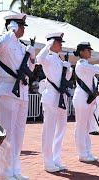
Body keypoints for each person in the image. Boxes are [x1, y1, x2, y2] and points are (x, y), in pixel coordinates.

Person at [0, 13, 35, 180]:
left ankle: (15, 170)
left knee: (19, 134)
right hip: (7, 91)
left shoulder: (21, 46)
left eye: (23, 26)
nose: (23, 29)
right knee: (7, 134)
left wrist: (32, 56)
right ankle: (5, 173)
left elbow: (30, 70)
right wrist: (11, 31)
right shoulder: (3, 41)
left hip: (22, 92)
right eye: (21, 26)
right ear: (13, 26)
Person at [37, 32, 72, 172]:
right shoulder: (48, 58)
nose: (61, 44)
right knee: (49, 130)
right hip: (51, 96)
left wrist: (68, 68)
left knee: (61, 129)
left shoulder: (58, 59)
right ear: (52, 43)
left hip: (61, 97)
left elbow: (67, 79)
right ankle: (48, 161)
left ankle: (56, 159)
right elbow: (39, 59)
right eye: (58, 42)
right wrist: (47, 45)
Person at [72, 42, 99, 161]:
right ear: (81, 52)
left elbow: (96, 73)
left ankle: (87, 151)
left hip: (88, 99)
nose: (90, 52)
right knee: (81, 126)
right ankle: (82, 153)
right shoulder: (81, 64)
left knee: (87, 126)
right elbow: (97, 69)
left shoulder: (87, 65)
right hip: (81, 98)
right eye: (87, 50)